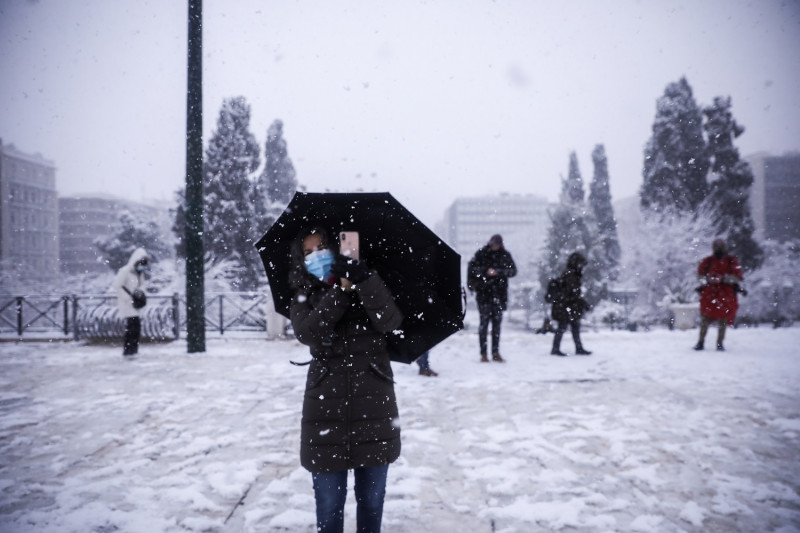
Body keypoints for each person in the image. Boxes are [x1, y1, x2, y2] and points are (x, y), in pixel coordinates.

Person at [289, 225, 403, 533]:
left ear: (336, 248)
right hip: (325, 411)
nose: (315, 257)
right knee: (328, 507)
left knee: (372, 502)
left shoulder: (371, 280)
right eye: (307, 252)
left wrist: (364, 280)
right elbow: (309, 332)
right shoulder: (303, 295)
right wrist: (341, 292)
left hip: (375, 408)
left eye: (320, 249)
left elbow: (390, 321)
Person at [468, 234, 517, 362]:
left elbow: (513, 271)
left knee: (496, 326)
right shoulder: (481, 254)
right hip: (484, 294)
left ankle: (495, 352)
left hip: (499, 295)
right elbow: (472, 269)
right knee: (484, 325)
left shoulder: (505, 255)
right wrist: (485, 272)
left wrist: (499, 272)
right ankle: (483, 353)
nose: (495, 247)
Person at [694, 238, 743, 351]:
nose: (719, 249)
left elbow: (737, 277)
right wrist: (708, 279)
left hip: (725, 295)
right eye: (717, 247)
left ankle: (719, 343)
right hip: (709, 294)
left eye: (721, 247)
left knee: (723, 319)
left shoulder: (731, 261)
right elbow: (700, 276)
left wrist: (723, 278)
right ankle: (701, 341)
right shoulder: (707, 261)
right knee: (705, 319)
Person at [550, 252, 591, 356]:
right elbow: (571, 293)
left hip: (567, 306)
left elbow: (572, 293)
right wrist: (582, 302)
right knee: (564, 327)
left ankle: (577, 348)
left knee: (572, 327)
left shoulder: (571, 274)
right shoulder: (571, 275)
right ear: (576, 263)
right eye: (580, 264)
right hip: (566, 306)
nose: (582, 267)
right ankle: (557, 349)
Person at [112, 247, 149, 357]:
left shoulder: (139, 273)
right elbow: (117, 286)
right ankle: (129, 350)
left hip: (135, 303)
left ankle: (132, 349)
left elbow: (142, 284)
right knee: (132, 327)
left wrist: (139, 292)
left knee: (135, 327)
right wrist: (127, 298)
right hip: (127, 304)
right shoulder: (125, 271)